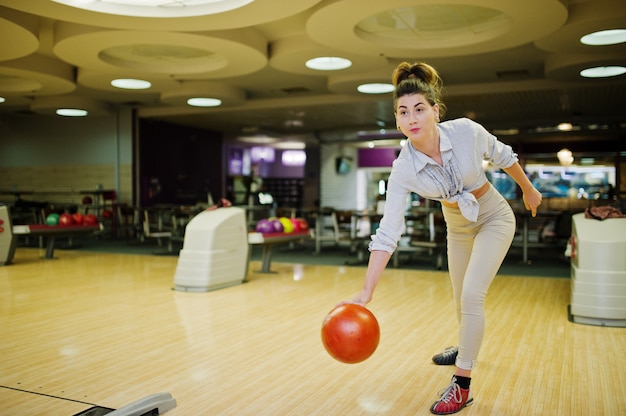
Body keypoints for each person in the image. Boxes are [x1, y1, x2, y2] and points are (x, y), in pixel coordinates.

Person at [346, 62, 543, 415]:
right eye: (403, 112)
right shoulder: (403, 168)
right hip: (457, 224)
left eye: (419, 109)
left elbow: (504, 156)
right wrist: (367, 290)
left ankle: (462, 385)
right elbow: (389, 230)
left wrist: (528, 190)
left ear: (435, 111)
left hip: (493, 216)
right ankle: (463, 344)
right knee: (459, 299)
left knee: (471, 294)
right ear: (396, 120)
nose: (412, 118)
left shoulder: (466, 131)